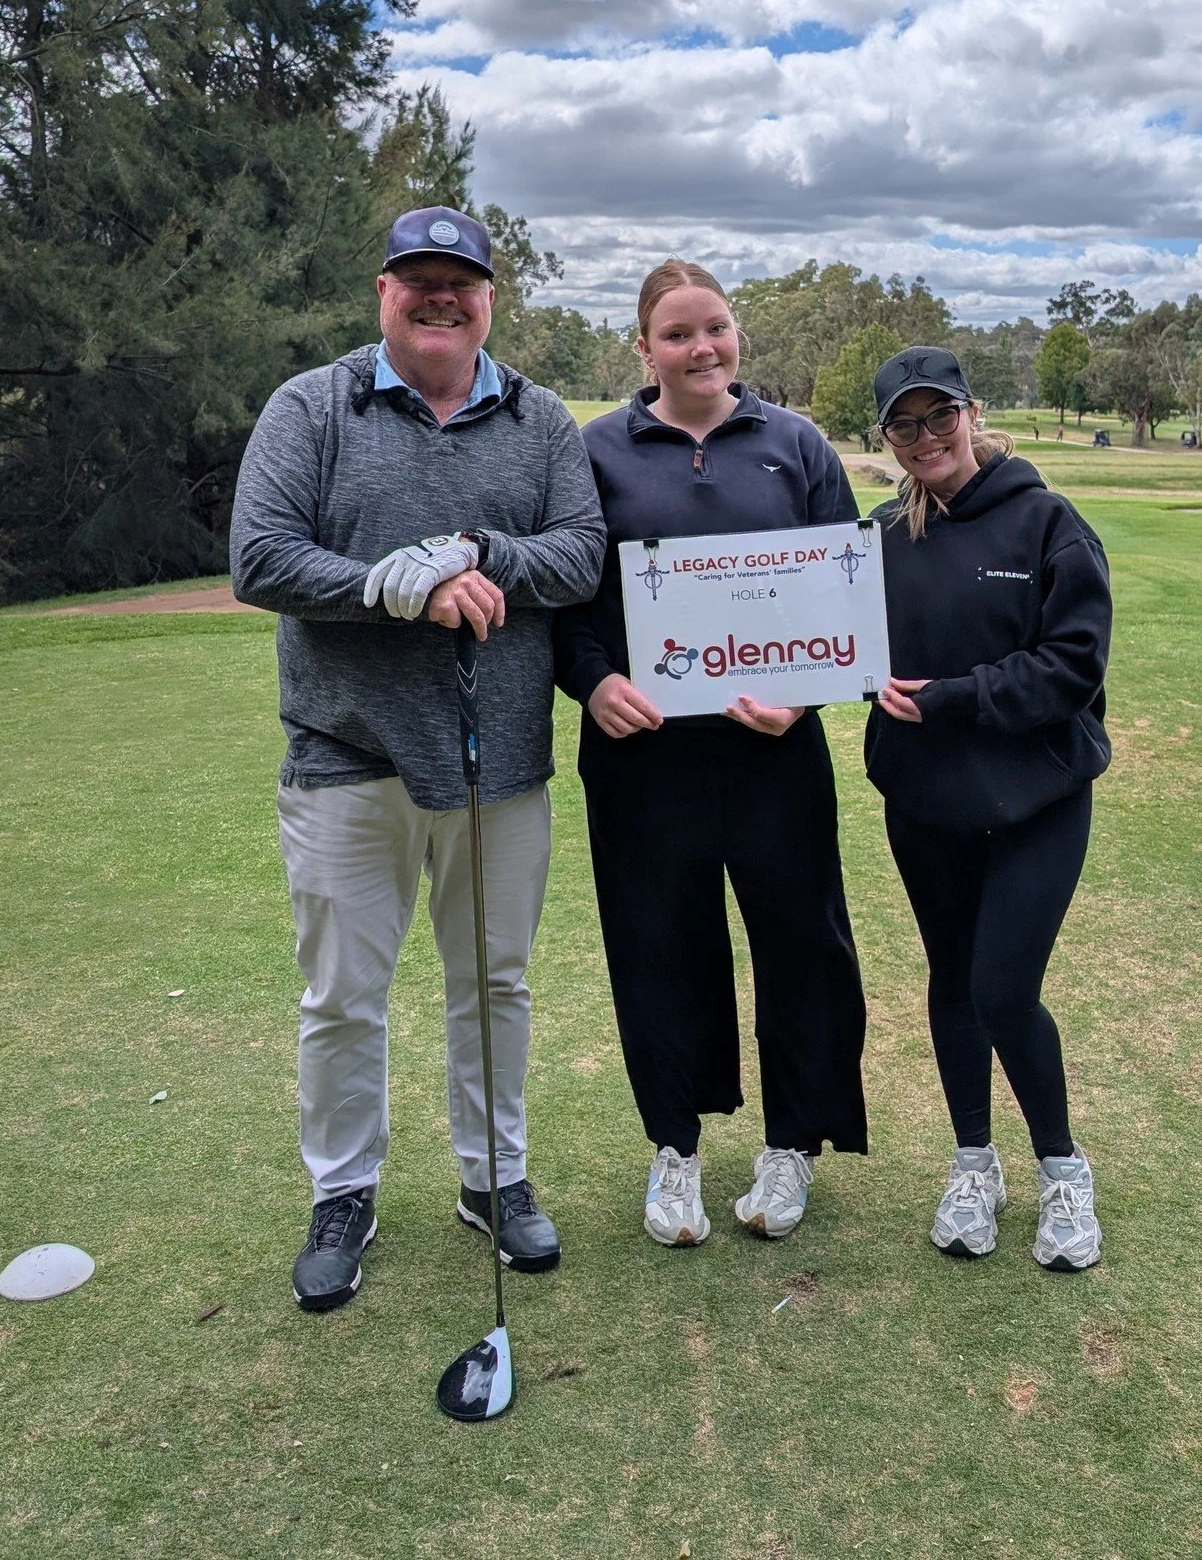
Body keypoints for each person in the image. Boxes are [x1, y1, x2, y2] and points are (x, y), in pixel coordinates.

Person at [230, 206, 605, 1310]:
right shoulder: (314, 405)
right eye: (418, 281)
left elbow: (581, 555)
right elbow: (260, 555)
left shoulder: (541, 420)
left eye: (463, 283)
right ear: (382, 293)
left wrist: (475, 553)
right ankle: (342, 1190)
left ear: (491, 297)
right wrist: (392, 584)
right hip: (347, 758)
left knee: (494, 983)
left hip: (502, 765)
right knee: (343, 994)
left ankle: (494, 1178)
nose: (441, 298)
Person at [555, 260, 867, 1249]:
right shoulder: (596, 451)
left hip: (774, 750)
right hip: (644, 757)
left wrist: (805, 690)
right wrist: (594, 680)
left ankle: (791, 1147)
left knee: (800, 942)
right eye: (680, 332)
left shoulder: (796, 445)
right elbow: (562, 601)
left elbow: (849, 594)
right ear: (643, 347)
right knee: (658, 946)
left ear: (737, 337)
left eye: (717, 328)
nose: (703, 348)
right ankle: (675, 1152)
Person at [866, 346, 1111, 1272]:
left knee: (1002, 987)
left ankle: (1061, 1168)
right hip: (926, 800)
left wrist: (956, 696)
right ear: (886, 437)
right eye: (905, 423)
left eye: (940, 417)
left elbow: (1073, 667)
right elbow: (823, 631)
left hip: (1038, 797)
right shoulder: (882, 535)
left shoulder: (1048, 523)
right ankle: (976, 1162)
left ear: (972, 414)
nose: (925, 437)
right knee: (951, 979)